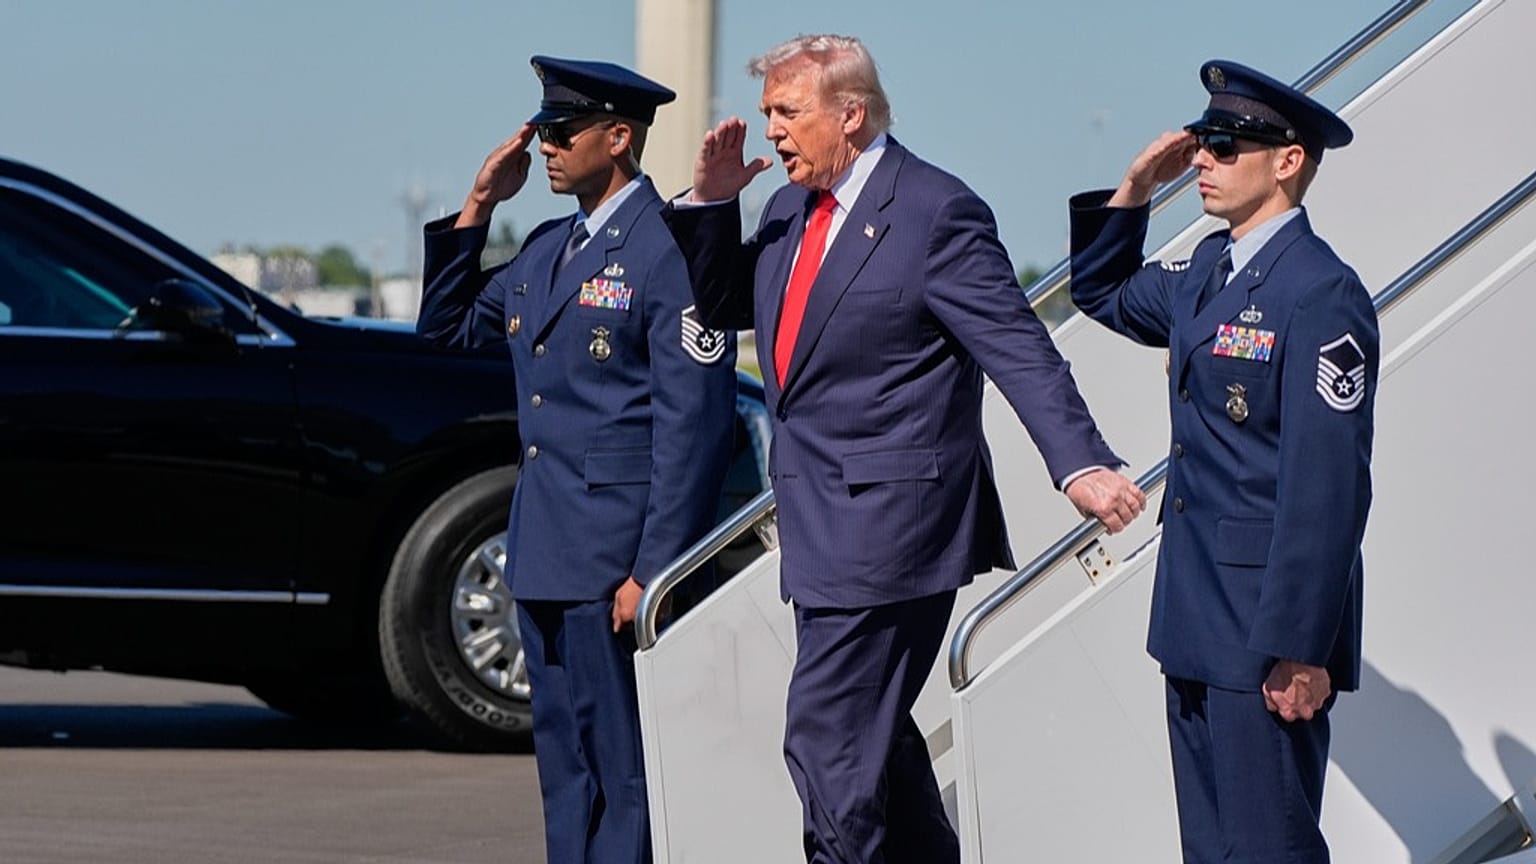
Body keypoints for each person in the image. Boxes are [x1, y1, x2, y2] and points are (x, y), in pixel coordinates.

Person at [661, 34, 1146, 864]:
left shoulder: (933, 211)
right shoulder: (785, 208)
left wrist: (1080, 463)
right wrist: (709, 205)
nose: (770, 129)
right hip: (817, 530)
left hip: (893, 528)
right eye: (769, 110)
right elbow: (723, 304)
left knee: (826, 744)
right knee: (875, 750)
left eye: (788, 111)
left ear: (850, 115)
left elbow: (1018, 346)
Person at [416, 55, 737, 864]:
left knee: (625, 769)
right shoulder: (548, 247)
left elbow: (693, 425)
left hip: (615, 563)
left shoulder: (669, 249)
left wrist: (654, 568)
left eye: (563, 131)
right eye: (544, 132)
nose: (548, 148)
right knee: (567, 768)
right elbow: (446, 329)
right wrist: (481, 202)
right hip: (544, 551)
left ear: (618, 137)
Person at [1068, 60, 1378, 863]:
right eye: (1202, 141)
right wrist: (1136, 182)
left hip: (1267, 629)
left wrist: (1305, 646)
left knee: (1268, 846)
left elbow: (1328, 490)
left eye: (1225, 144)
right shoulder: (1207, 270)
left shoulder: (1319, 291)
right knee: (1211, 852)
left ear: (1287, 161)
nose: (1203, 158)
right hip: (1193, 614)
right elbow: (1099, 292)